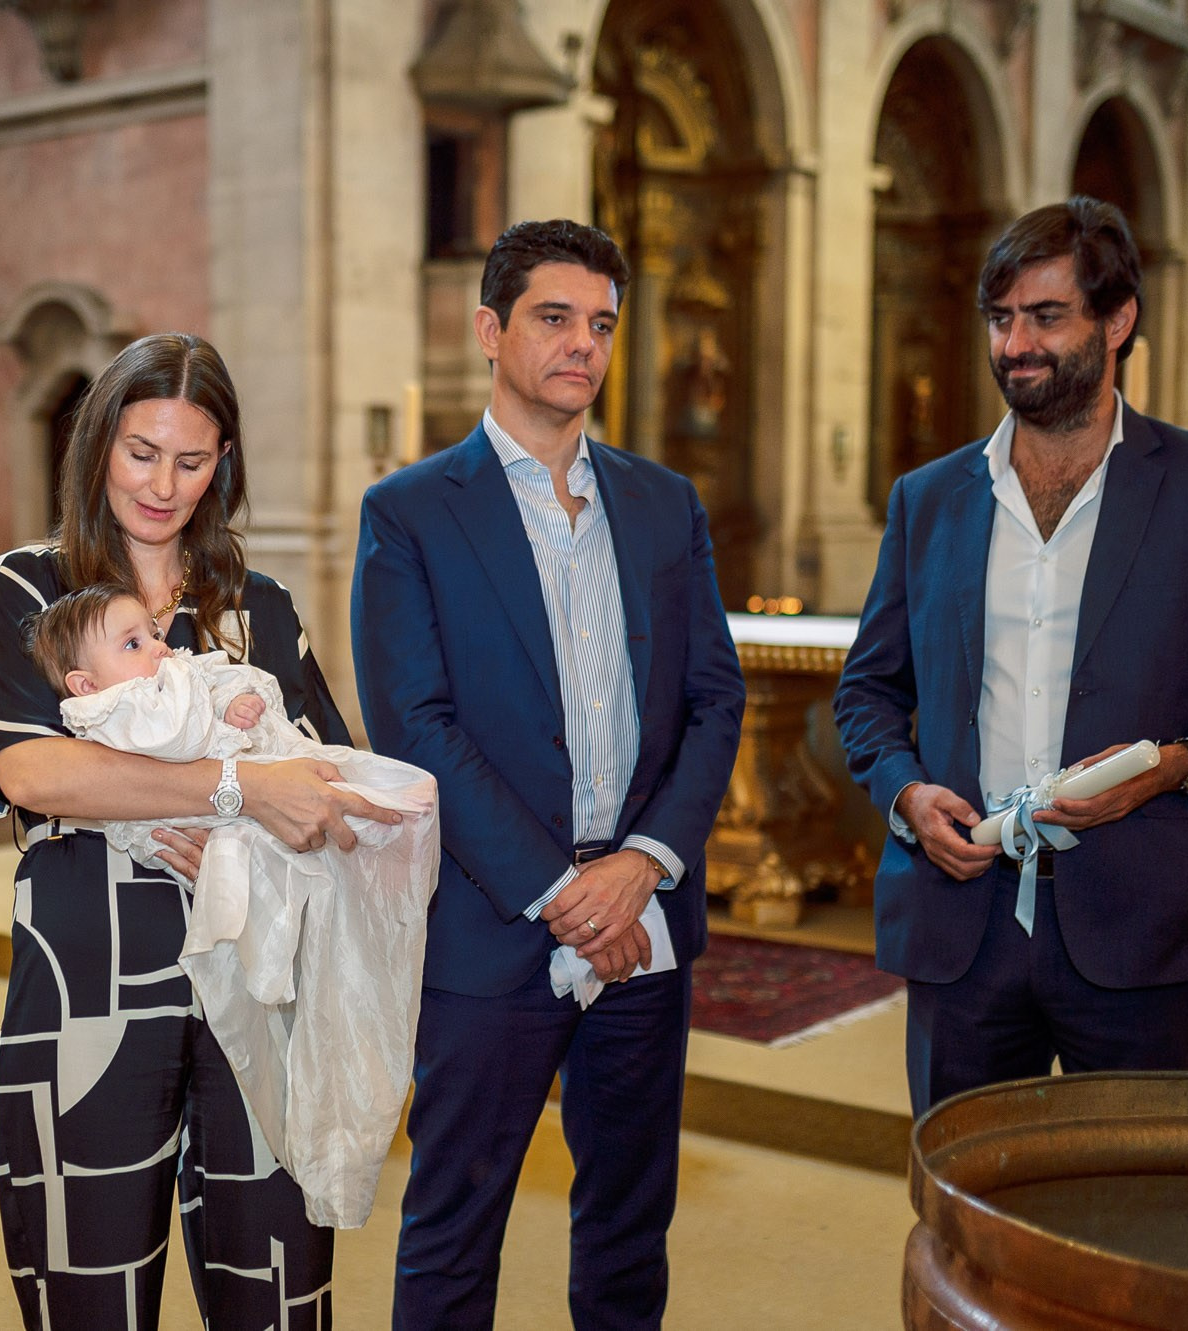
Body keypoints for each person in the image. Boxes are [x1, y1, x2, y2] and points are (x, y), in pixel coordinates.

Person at [832, 197, 1188, 1119]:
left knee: (1153, 1221)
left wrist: (1174, 767)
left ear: (1117, 321)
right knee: (970, 1222)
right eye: (1000, 319)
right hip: (964, 931)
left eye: (1046, 316)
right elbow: (869, 693)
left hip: (1148, 926)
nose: (1015, 344)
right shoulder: (929, 498)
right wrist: (908, 792)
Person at [0, 332, 398, 1329]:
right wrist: (234, 788)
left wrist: (260, 800)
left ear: (222, 461)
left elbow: (326, 788)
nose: (162, 483)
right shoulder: (32, 588)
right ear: (98, 442)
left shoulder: (257, 607)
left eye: (191, 460)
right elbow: (33, 768)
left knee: (275, 1296)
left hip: (259, 990)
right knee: (87, 1292)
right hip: (89, 988)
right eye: (141, 452)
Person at [351, 219, 746, 1329]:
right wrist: (564, 891)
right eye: (553, 317)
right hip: (493, 925)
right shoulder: (411, 512)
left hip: (644, 921)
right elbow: (417, 724)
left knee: (627, 1226)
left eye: (602, 324)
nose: (582, 343)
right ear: (491, 330)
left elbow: (713, 698)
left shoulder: (664, 503)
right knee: (451, 1229)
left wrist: (642, 863)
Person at [26, 581, 439, 1229]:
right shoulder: (107, 711)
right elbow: (156, 743)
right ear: (82, 683)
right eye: (133, 642)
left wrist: (238, 699)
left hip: (243, 796)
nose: (159, 649)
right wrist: (213, 720)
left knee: (372, 790)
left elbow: (221, 693)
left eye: (154, 634)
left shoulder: (182, 666)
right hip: (182, 840)